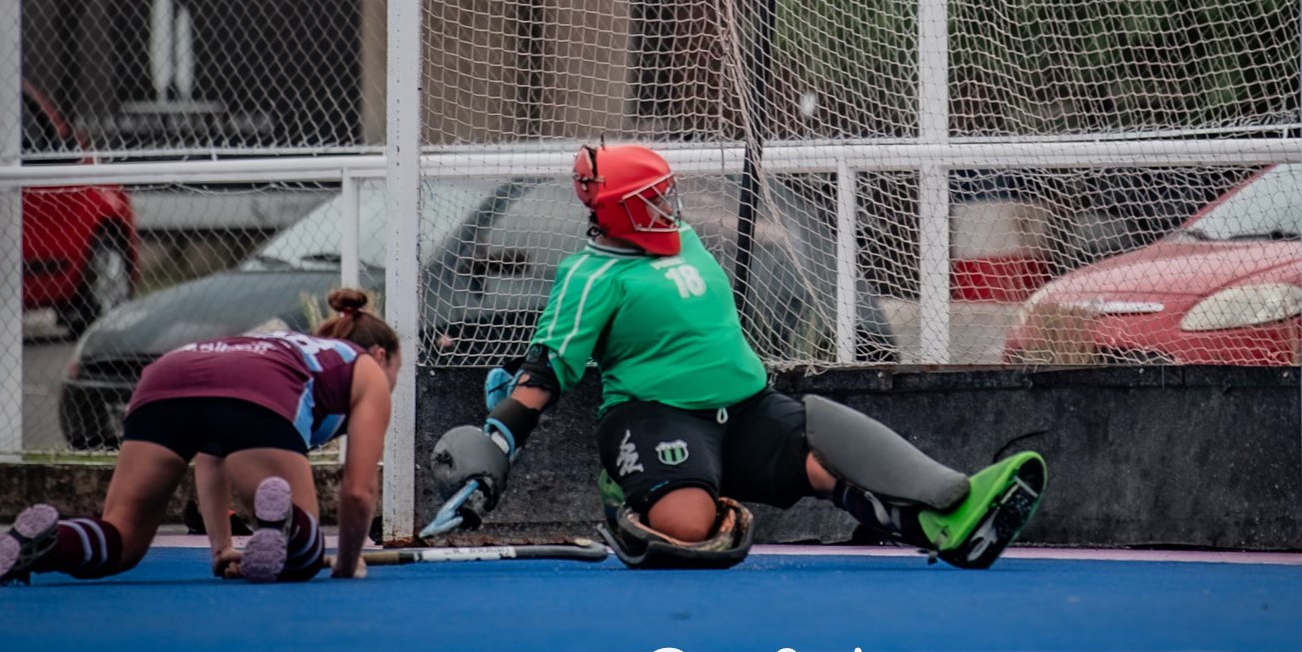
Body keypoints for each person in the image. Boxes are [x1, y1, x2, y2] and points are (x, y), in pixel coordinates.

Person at [429, 144, 1045, 570]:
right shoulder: (590, 276)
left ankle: (951, 520)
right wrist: (497, 448)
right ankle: (629, 490)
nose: (668, 206)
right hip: (656, 418)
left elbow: (706, 225)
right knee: (692, 532)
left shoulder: (683, 237)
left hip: (748, 408)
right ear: (618, 210)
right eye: (654, 198)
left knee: (829, 462)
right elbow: (544, 376)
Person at [0, 288, 399, 587]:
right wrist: (345, 564)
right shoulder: (363, 368)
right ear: (381, 356)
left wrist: (222, 548)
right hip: (255, 392)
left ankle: (46, 543)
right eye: (397, 371)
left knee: (121, 541)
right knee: (302, 560)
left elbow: (212, 451)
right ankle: (283, 522)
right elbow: (358, 490)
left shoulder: (280, 344)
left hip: (168, 375)